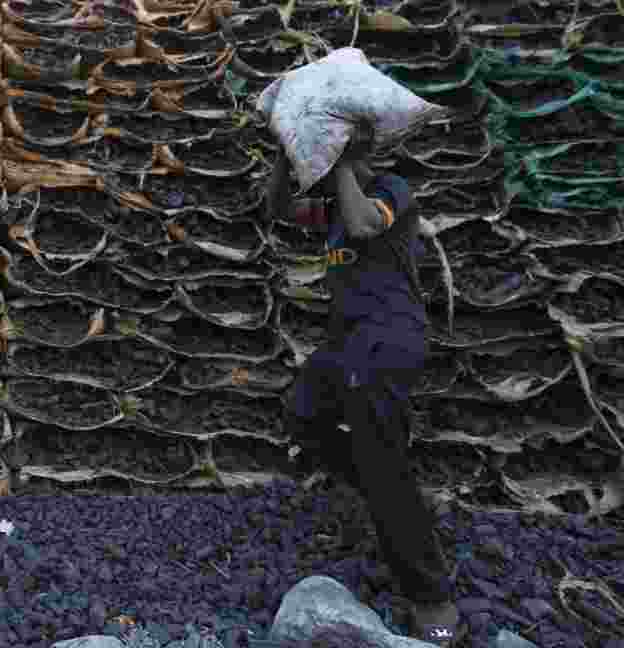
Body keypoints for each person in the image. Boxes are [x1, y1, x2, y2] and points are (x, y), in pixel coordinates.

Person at [263, 122, 467, 647]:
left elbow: (362, 225)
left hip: (388, 339)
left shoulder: (391, 191)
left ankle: (432, 599)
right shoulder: (333, 208)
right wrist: (289, 156)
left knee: (384, 464)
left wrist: (347, 167)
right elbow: (279, 210)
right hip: (346, 344)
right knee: (303, 413)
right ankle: (393, 502)